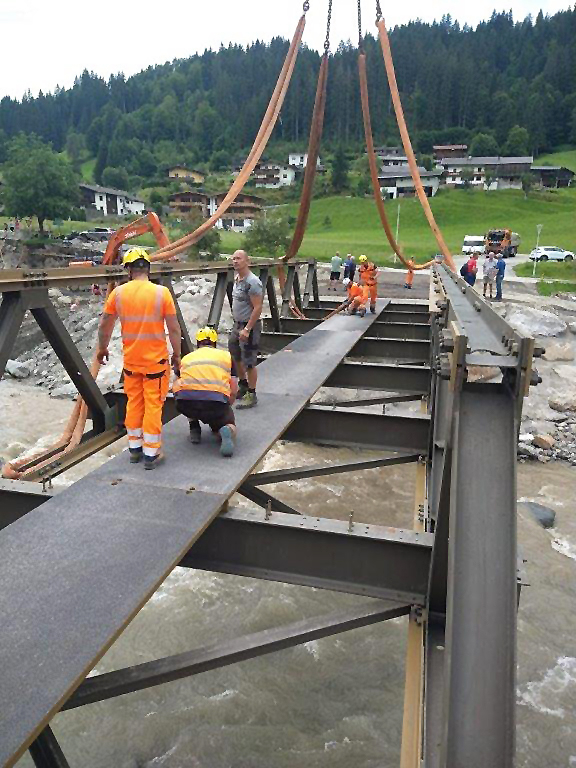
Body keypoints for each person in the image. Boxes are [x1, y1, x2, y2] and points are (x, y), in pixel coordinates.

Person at [96, 247, 182, 470]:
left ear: (129, 270)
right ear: (148, 268)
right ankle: (151, 453)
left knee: (134, 402)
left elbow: (105, 324)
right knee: (153, 405)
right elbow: (174, 329)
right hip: (155, 363)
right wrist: (177, 355)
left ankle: (134, 448)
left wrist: (102, 348)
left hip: (131, 362)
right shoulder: (161, 293)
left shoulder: (118, 294)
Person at [173, 327, 238, 457]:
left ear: (198, 343)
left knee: (187, 390)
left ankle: (194, 427)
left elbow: (174, 382)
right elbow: (234, 389)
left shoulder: (186, 358)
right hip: (215, 403)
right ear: (215, 342)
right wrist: (226, 406)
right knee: (228, 423)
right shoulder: (227, 357)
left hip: (185, 403)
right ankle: (226, 430)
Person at [229, 249, 263, 409]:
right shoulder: (237, 279)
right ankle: (243, 385)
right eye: (233, 258)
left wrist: (248, 329)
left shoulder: (253, 282)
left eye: (239, 258)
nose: (235, 261)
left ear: (247, 261)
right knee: (235, 355)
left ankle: (252, 393)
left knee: (249, 361)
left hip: (249, 326)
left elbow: (258, 307)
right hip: (237, 324)